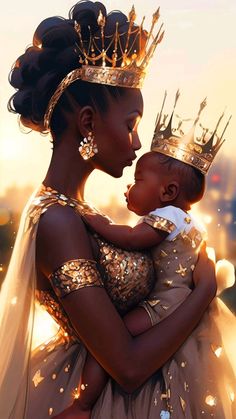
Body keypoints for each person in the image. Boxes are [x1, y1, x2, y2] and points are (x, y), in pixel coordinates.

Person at [0, 2, 219, 418]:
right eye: (131, 123)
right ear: (88, 123)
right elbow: (128, 366)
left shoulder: (77, 209)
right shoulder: (59, 221)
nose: (138, 144)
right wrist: (203, 291)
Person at [77, 93, 236, 418]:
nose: (129, 188)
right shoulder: (189, 223)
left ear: (168, 192)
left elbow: (135, 239)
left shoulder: (166, 218)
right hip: (180, 300)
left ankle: (82, 404)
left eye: (138, 181)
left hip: (165, 303)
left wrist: (97, 223)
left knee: (111, 340)